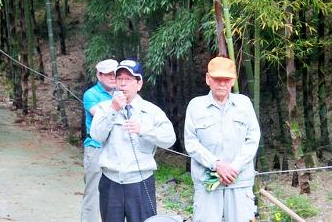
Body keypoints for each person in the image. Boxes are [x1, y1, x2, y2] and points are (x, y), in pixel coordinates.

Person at [90, 59, 176, 222]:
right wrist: (114, 109)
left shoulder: (151, 111)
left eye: (128, 79)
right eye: (119, 78)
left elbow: (169, 138)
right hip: (111, 181)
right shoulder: (104, 107)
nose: (122, 84)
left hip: (140, 183)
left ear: (139, 84)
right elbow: (96, 135)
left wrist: (143, 130)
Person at [184, 56, 260, 222]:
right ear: (208, 79)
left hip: (239, 180)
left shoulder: (244, 103)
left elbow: (253, 138)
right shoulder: (196, 106)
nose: (222, 84)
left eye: (226, 79)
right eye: (217, 79)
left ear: (233, 81)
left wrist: (233, 167)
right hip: (208, 181)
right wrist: (216, 165)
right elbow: (191, 143)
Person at [81, 58, 119, 222]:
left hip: (117, 148)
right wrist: (116, 106)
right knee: (93, 193)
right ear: (99, 75)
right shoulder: (90, 94)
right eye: (108, 74)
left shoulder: (122, 92)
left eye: (115, 74)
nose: (112, 77)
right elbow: (100, 116)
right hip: (96, 147)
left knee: (116, 194)